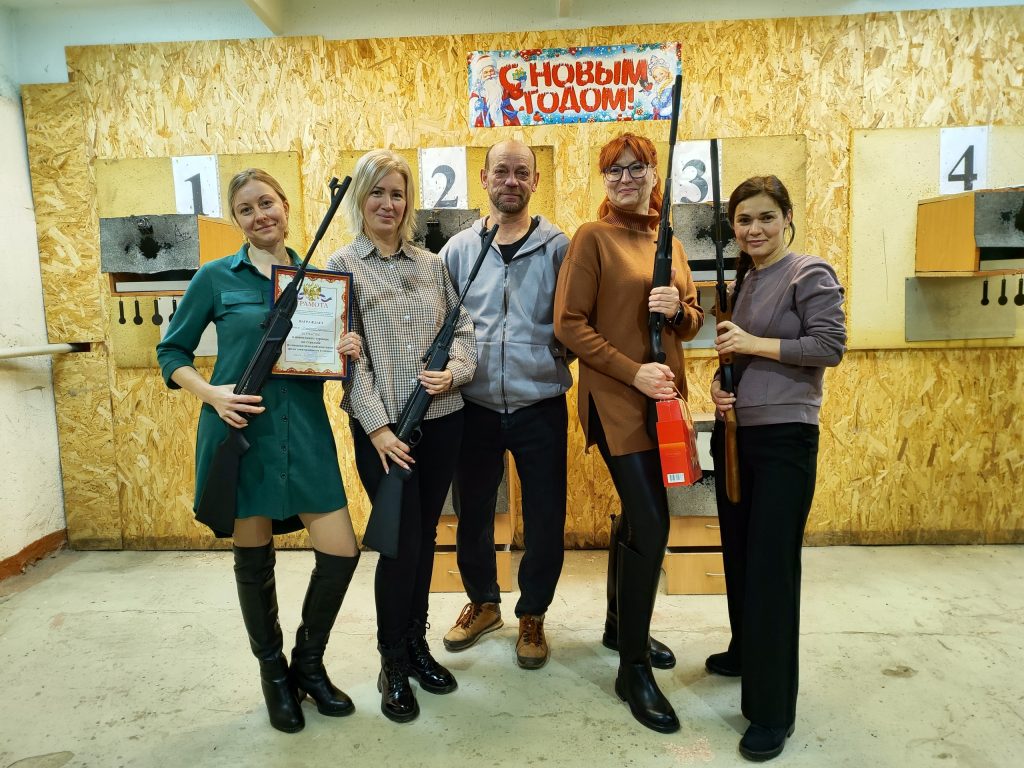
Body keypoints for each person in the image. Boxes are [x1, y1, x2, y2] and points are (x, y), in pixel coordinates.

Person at [156, 168, 364, 734]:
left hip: (306, 431)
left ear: (286, 206)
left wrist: (346, 347)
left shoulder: (320, 281)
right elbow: (171, 352)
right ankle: (274, 675)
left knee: (341, 552)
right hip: (242, 433)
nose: (259, 215)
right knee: (254, 558)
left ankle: (308, 666)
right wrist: (210, 393)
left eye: (266, 203)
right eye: (246, 209)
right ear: (237, 220)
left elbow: (323, 360)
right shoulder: (215, 278)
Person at [554, 133, 703, 733]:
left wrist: (678, 310)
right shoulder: (593, 238)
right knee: (653, 521)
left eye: (635, 167)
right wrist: (631, 370)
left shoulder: (671, 241)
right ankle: (632, 669)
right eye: (613, 170)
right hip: (617, 398)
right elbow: (570, 324)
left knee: (639, 518)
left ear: (653, 174)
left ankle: (621, 628)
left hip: (663, 400)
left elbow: (692, 320)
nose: (624, 178)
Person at [326, 149, 477, 724]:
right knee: (398, 543)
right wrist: (379, 428)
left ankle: (416, 644)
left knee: (426, 537)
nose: (388, 203)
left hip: (444, 420)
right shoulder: (342, 266)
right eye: (377, 192)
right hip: (384, 432)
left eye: (397, 193)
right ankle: (392, 660)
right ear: (360, 199)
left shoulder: (431, 264)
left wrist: (454, 372)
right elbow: (348, 358)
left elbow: (463, 329)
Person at [707, 175, 846, 761]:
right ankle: (746, 651)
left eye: (766, 217)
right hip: (736, 436)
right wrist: (719, 387)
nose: (754, 229)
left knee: (770, 570)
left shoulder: (807, 273)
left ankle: (771, 712)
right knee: (739, 556)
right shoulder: (744, 281)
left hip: (785, 440)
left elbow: (829, 346)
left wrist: (752, 344)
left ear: (787, 218)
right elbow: (732, 356)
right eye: (744, 220)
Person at [439, 140, 571, 670]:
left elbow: (575, 317)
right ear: (484, 178)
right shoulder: (457, 250)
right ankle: (484, 603)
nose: (511, 181)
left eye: (521, 172)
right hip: (473, 406)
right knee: (472, 511)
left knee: (544, 516)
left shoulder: (558, 247)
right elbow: (441, 322)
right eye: (501, 171)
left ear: (535, 181)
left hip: (540, 403)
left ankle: (533, 613)